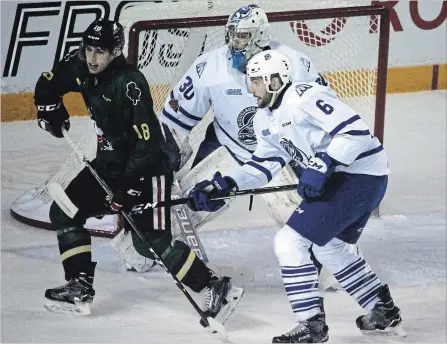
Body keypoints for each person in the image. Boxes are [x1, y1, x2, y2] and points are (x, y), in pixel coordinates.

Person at [113, 4, 343, 290]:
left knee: (324, 258)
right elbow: (172, 125)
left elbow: (329, 118)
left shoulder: (295, 64)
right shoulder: (210, 67)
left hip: (280, 155)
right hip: (229, 150)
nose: (234, 43)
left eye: (243, 37)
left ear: (260, 36)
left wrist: (321, 163)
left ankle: (329, 258)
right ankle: (154, 248)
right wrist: (165, 167)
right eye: (231, 35)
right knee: (139, 250)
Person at [187, 49, 405, 343]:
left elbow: (356, 132)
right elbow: (264, 164)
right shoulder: (264, 118)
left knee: (289, 241)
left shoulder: (305, 97)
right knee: (329, 248)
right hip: (357, 179)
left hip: (359, 176)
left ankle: (311, 325)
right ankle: (381, 308)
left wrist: (323, 163)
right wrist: (226, 183)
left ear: (275, 80)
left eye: (256, 81)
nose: (250, 88)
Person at [35, 19, 243, 321]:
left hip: (148, 169)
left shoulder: (129, 82)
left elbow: (148, 146)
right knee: (63, 211)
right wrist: (49, 108)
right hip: (108, 163)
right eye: (89, 49)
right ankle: (78, 287)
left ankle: (215, 285)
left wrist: (129, 189)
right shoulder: (79, 64)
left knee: (150, 245)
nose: (93, 58)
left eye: (100, 52)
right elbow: (47, 83)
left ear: (116, 51)